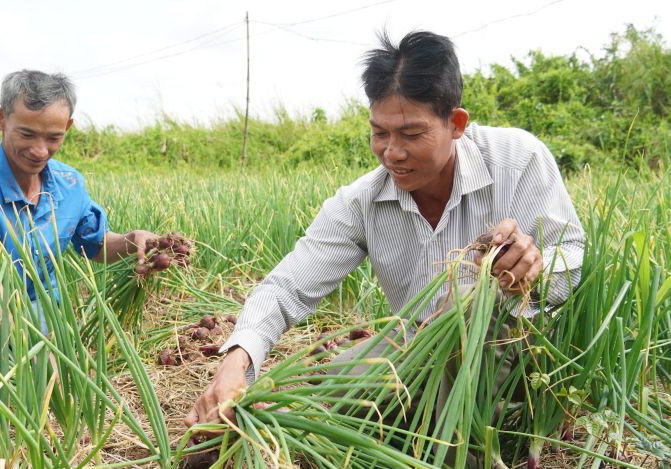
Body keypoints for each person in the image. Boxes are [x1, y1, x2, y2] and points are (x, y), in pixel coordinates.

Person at [186, 30, 585, 429]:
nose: (392, 152)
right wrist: (237, 359)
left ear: (456, 123)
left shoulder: (517, 159)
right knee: (330, 384)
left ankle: (459, 462)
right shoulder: (362, 202)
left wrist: (533, 267)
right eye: (380, 133)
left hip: (520, 359)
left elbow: (573, 256)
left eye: (411, 134)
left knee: (467, 301)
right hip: (417, 355)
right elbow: (287, 287)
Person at [0, 70, 157, 341]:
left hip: (45, 320)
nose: (40, 151)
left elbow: (96, 245)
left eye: (53, 138)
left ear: (67, 127)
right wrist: (30, 346)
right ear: (0, 118)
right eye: (27, 134)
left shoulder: (68, 183)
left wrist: (133, 240)